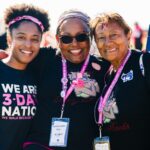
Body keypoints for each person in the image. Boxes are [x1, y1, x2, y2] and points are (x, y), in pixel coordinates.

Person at [23, 10, 109, 150]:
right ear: (58, 40)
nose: (74, 44)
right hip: (41, 144)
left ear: (90, 38)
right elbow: (16, 56)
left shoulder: (103, 67)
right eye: (66, 39)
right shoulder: (44, 59)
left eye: (81, 37)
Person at [90, 12, 150, 150]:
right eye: (101, 37)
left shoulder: (144, 63)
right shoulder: (106, 74)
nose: (107, 42)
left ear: (128, 35)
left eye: (114, 35)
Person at [0, 4, 50, 150]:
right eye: (21, 37)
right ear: (9, 39)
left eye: (35, 39)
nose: (28, 45)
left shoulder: (38, 75)